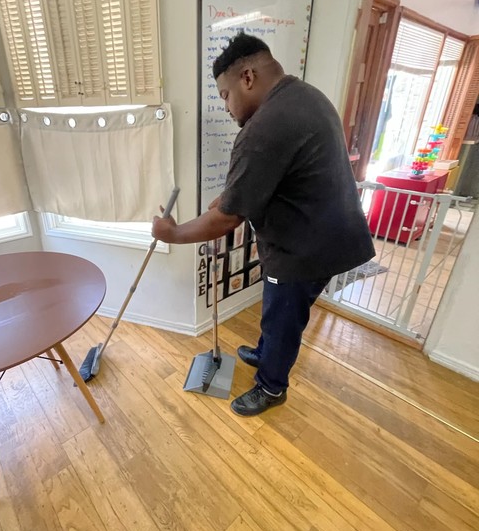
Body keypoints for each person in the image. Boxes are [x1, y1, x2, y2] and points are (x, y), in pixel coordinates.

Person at [153, 32, 374, 417]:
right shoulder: (304, 96)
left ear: (248, 78)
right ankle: (265, 351)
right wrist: (231, 197)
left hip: (305, 248)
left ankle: (272, 387)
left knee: (284, 317)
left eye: (224, 95)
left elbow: (226, 219)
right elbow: (280, 174)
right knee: (276, 311)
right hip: (328, 231)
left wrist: (172, 233)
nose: (225, 106)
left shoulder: (265, 126)